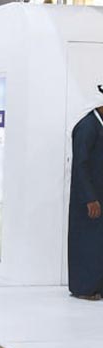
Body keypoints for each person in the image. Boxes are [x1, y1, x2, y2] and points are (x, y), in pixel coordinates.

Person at [69, 95, 103, 301]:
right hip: (89, 200)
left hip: (99, 195)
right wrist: (89, 198)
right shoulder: (87, 127)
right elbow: (80, 165)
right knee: (87, 243)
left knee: (98, 244)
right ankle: (84, 288)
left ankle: (97, 286)